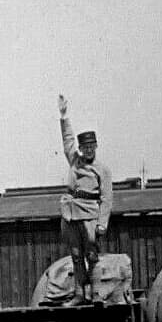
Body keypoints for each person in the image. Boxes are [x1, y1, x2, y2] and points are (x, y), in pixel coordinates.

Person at [57, 94, 113, 305]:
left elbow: (107, 199)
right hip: (71, 213)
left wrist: (102, 224)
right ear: (81, 149)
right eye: (85, 147)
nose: (88, 150)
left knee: (92, 255)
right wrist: (64, 117)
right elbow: (67, 140)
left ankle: (96, 293)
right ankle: (80, 294)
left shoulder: (102, 170)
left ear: (96, 147)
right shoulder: (74, 160)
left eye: (92, 147)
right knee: (75, 255)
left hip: (90, 214)